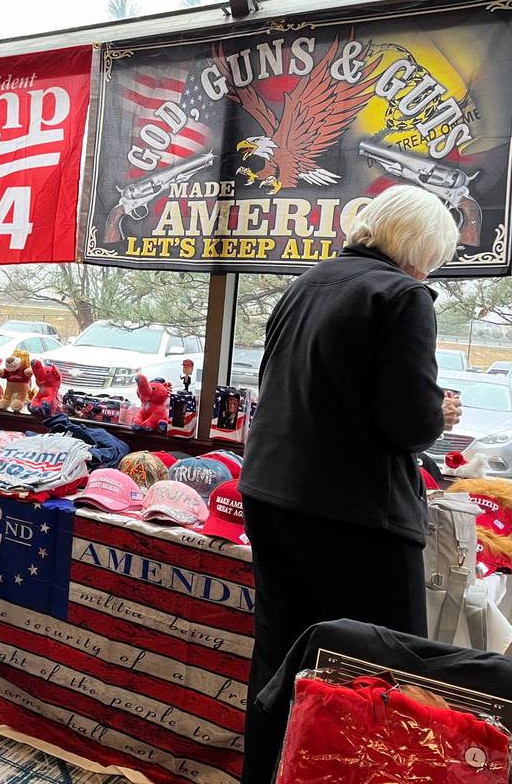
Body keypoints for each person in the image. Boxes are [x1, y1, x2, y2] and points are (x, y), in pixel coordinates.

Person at [237, 185, 462, 783]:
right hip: (353, 515)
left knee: (281, 661)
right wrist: (441, 411)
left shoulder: (308, 281)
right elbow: (409, 423)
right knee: (379, 676)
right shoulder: (404, 296)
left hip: (271, 493)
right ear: (422, 247)